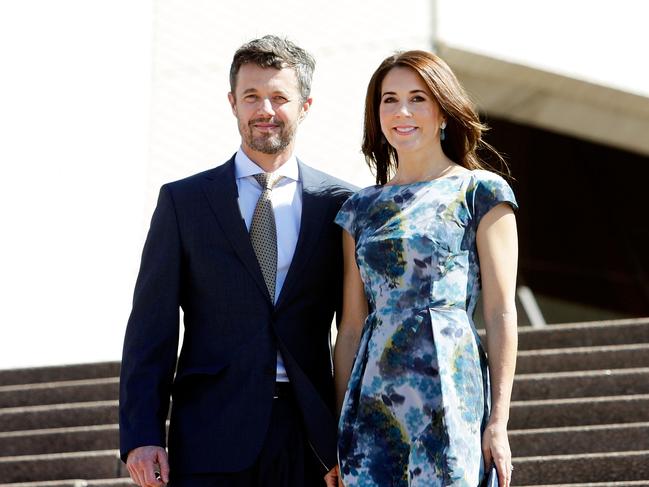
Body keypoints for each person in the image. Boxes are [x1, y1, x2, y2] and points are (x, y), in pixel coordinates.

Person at [119, 35, 356, 487]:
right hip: (210, 433)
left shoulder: (342, 205)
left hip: (311, 442)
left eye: (279, 97)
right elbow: (152, 326)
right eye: (251, 96)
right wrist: (143, 434)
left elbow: (355, 328)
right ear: (233, 103)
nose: (264, 109)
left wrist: (351, 433)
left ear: (305, 105)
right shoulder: (183, 202)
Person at [330, 50, 518, 487]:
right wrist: (338, 429)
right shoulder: (359, 209)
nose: (403, 111)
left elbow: (501, 312)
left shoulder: (482, 191)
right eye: (389, 100)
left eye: (418, 98)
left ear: (444, 112)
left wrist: (498, 422)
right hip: (372, 402)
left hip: (451, 391)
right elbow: (352, 328)